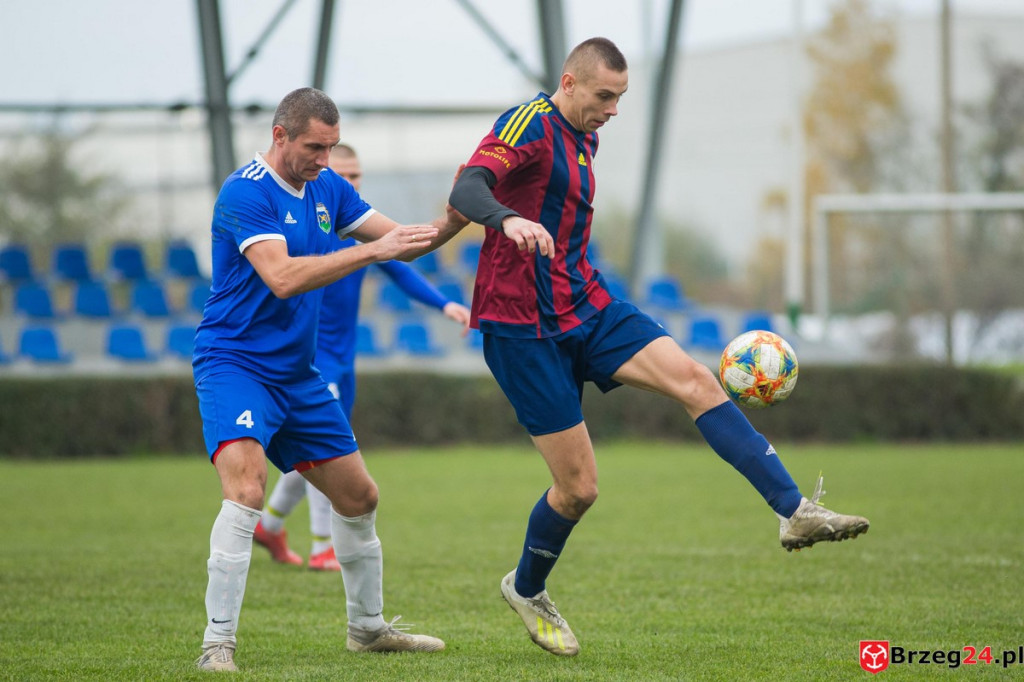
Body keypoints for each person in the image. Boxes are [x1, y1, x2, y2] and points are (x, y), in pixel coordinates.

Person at [447, 37, 870, 657]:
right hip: (521, 328)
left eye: (620, 98)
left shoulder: (586, 133)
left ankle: (793, 509)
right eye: (604, 96)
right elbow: (467, 189)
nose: (613, 109)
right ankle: (527, 587)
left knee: (697, 380)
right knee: (579, 489)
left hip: (587, 303)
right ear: (568, 82)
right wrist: (505, 219)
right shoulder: (529, 122)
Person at [192, 87, 467, 672]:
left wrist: (454, 218)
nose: (324, 158)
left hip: (297, 374)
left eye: (333, 147)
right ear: (280, 136)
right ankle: (218, 643)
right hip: (236, 364)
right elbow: (284, 277)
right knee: (245, 490)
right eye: (316, 147)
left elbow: (405, 245)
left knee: (359, 496)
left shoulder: (328, 189)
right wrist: (373, 253)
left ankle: (367, 630)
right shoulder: (244, 192)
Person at [253, 144, 471, 572]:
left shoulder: (355, 226)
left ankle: (271, 525)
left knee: (317, 452)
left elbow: (401, 268)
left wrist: (444, 304)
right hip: (312, 361)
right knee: (323, 450)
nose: (352, 184)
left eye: (357, 177)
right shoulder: (305, 230)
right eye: (344, 175)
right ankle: (321, 546)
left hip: (344, 358)